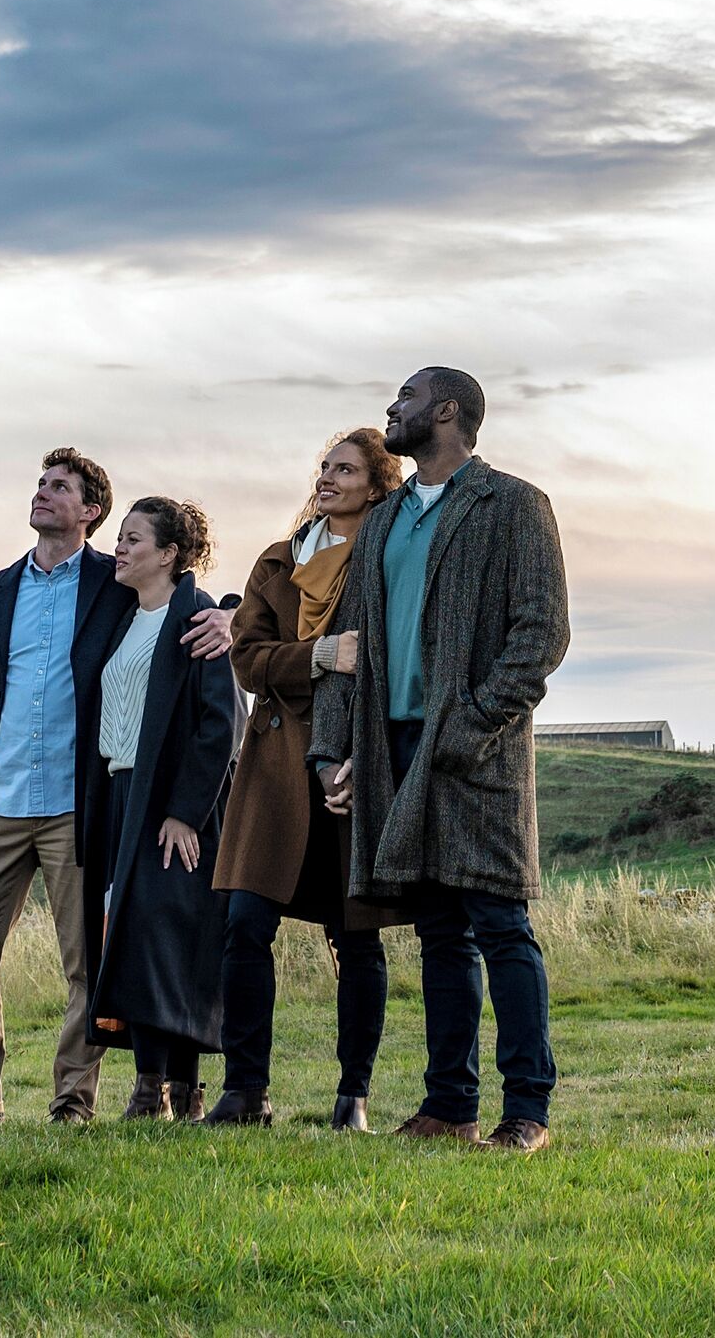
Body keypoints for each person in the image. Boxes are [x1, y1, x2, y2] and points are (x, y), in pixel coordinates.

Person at [310, 366, 571, 1152]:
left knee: (501, 924)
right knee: (439, 933)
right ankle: (450, 1104)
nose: (392, 408)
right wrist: (331, 749)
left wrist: (471, 725)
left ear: (448, 409)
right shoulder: (384, 519)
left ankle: (526, 1110)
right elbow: (351, 643)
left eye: (408, 397)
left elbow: (541, 634)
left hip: (475, 752)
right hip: (390, 751)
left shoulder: (515, 504)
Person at [0, 448, 230, 1123]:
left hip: (80, 803)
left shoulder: (114, 580)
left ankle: (73, 1101)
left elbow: (181, 598)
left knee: (87, 961)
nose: (42, 492)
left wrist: (231, 616)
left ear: (89, 511)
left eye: (60, 486)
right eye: (40, 483)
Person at [203, 426, 411, 1127]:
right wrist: (320, 655)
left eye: (345, 469)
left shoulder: (392, 560)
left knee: (356, 936)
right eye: (324, 466)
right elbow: (247, 659)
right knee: (244, 922)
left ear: (377, 487)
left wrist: (362, 750)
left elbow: (400, 657)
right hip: (273, 766)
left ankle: (353, 1097)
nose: (327, 477)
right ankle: (245, 1091)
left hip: (357, 763)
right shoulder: (280, 559)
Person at [76, 494, 241, 1118]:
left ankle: (166, 1089)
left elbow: (220, 724)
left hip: (174, 805)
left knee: (166, 942)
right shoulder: (123, 620)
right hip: (120, 797)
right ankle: (162, 1088)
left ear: (170, 554)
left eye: (133, 539)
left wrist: (184, 811)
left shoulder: (197, 617)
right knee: (134, 937)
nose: (119, 548)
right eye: (120, 537)